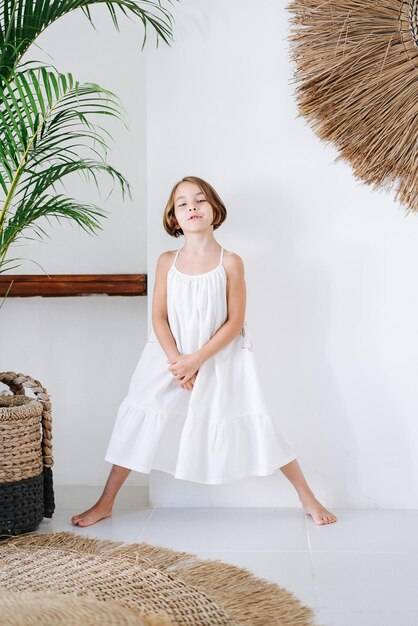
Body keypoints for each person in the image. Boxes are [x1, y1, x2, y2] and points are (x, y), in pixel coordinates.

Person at [71, 176, 337, 528]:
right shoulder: (167, 261)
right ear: (174, 217)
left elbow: (235, 320)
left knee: (257, 422)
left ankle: (307, 497)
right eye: (182, 203)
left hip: (220, 358)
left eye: (199, 200)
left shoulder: (231, 263)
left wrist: (197, 360)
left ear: (214, 210)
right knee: (139, 421)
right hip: (168, 358)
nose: (192, 207)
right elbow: (159, 317)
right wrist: (178, 363)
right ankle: (105, 502)